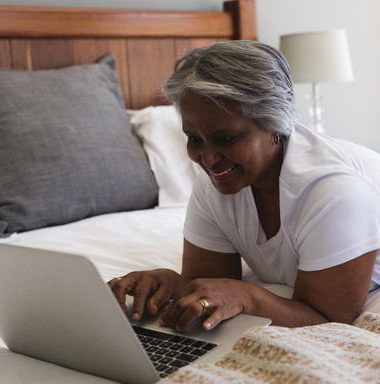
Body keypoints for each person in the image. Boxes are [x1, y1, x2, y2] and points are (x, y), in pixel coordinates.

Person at [108, 40, 380, 331]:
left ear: (275, 124)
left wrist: (248, 297)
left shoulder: (334, 194)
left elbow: (328, 319)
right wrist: (169, 284)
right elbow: (210, 284)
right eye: (194, 139)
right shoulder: (214, 184)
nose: (207, 159)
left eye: (226, 139)